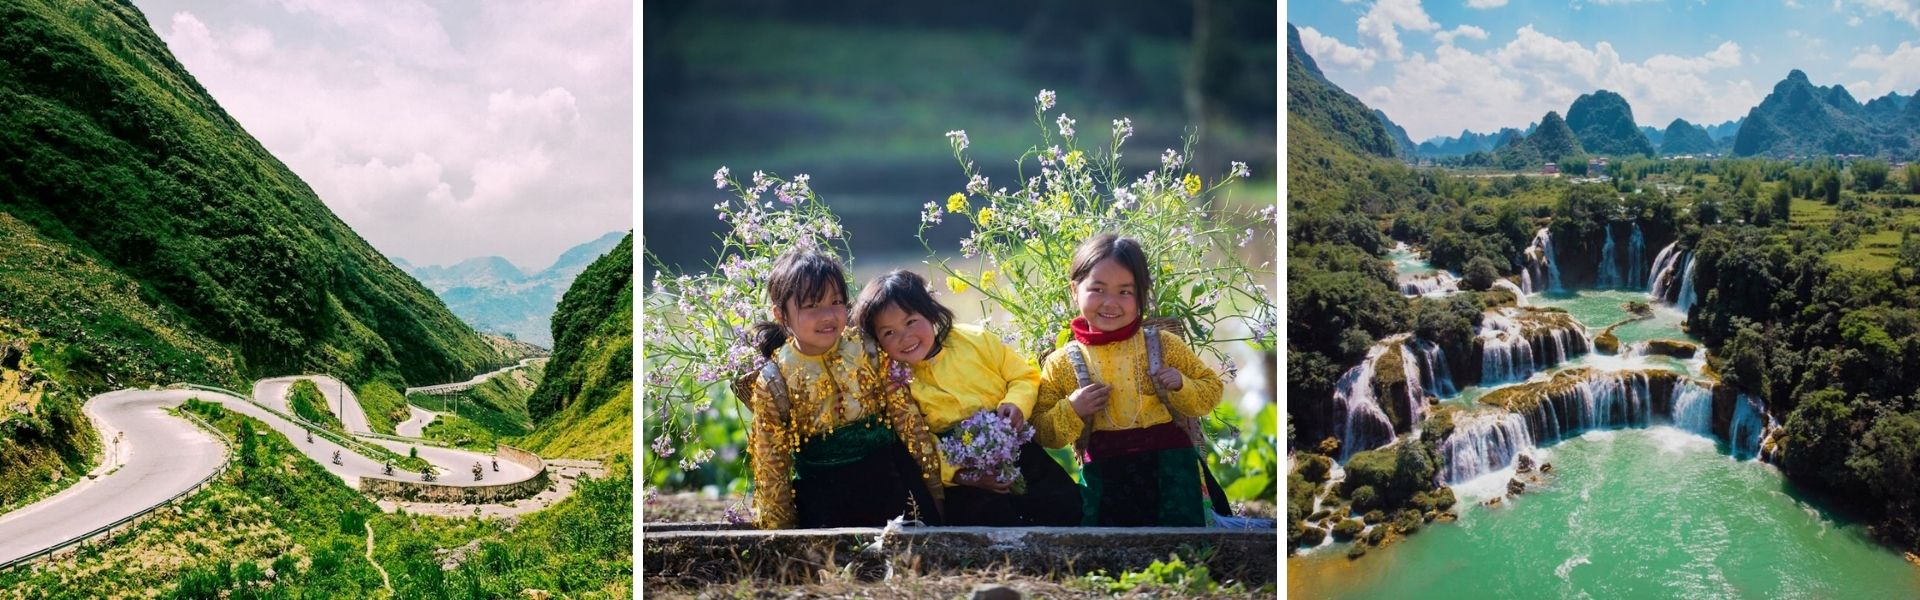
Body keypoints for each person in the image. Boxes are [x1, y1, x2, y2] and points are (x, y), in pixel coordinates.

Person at [850, 269, 1081, 526]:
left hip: (1015, 447)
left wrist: (1015, 404)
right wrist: (962, 475)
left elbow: (1023, 376)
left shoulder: (975, 339)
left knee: (1064, 503)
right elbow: (920, 442)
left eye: (911, 321)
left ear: (930, 311)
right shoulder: (895, 382)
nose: (905, 337)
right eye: (889, 333)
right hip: (965, 471)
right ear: (878, 342)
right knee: (986, 525)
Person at [1030, 234, 1226, 527]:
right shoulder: (1062, 362)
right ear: (1074, 290)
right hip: (1105, 473)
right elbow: (1042, 431)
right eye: (1097, 289)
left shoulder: (1164, 345)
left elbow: (1211, 391)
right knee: (1111, 550)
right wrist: (1073, 408)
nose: (1110, 303)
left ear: (1142, 295)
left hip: (1172, 467)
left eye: (1125, 292)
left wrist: (1182, 384)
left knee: (1186, 545)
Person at [745, 250, 945, 529]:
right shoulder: (775, 379)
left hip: (892, 481)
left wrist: (935, 491)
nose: (827, 315)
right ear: (781, 315)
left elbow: (907, 421)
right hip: (824, 496)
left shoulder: (868, 349)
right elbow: (772, 465)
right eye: (812, 306)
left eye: (836, 301)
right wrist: (781, 535)